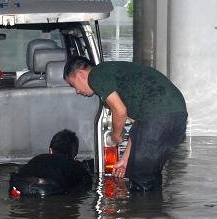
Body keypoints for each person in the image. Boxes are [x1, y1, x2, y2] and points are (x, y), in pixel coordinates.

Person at [63, 56, 187, 192]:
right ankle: (153, 208)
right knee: (147, 175)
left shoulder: (96, 75)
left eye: (73, 84)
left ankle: (141, 210)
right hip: (176, 117)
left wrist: (116, 135)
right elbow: (138, 124)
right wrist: (125, 159)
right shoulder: (113, 77)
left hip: (159, 117)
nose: (77, 91)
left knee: (140, 181)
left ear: (80, 74)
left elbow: (120, 111)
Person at [9, 129, 92, 197]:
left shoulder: (38, 159)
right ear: (75, 157)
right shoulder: (76, 167)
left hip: (19, 183)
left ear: (50, 150)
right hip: (48, 190)